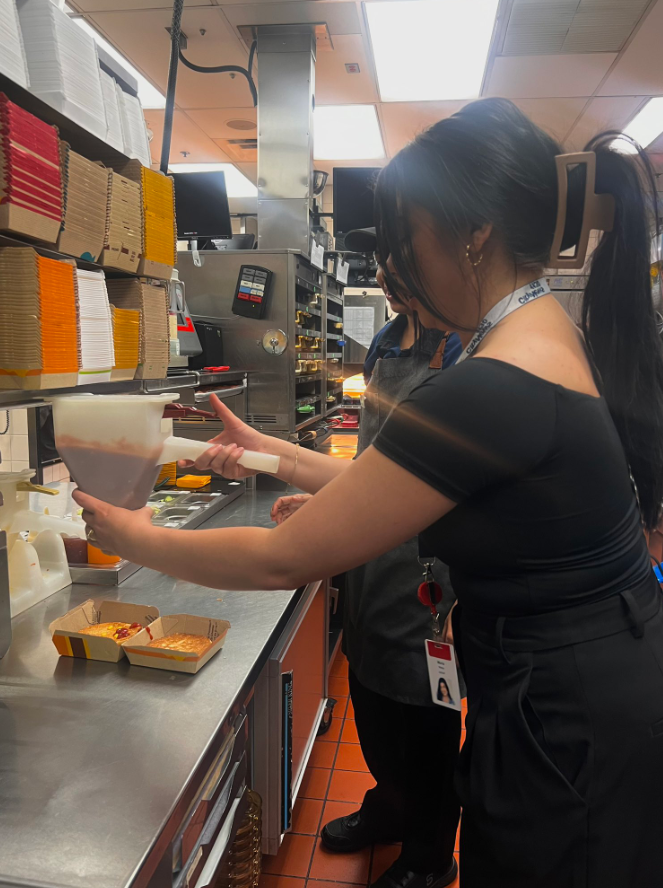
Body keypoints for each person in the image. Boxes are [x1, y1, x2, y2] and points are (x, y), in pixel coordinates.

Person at [75, 98, 663, 887]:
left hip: (568, 717)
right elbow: (397, 484)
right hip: (590, 684)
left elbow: (284, 557)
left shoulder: (493, 383)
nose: (397, 267)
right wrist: (273, 455)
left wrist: (135, 536)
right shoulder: (540, 336)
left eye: (404, 237)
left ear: (471, 233)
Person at [272, 234, 463, 888]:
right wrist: (326, 506)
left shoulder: (467, 347)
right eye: (383, 267)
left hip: (428, 573)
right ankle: (389, 807)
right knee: (371, 696)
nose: (387, 279)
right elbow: (368, 465)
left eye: (401, 266)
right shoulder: (387, 340)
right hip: (370, 561)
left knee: (425, 718)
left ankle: (429, 854)